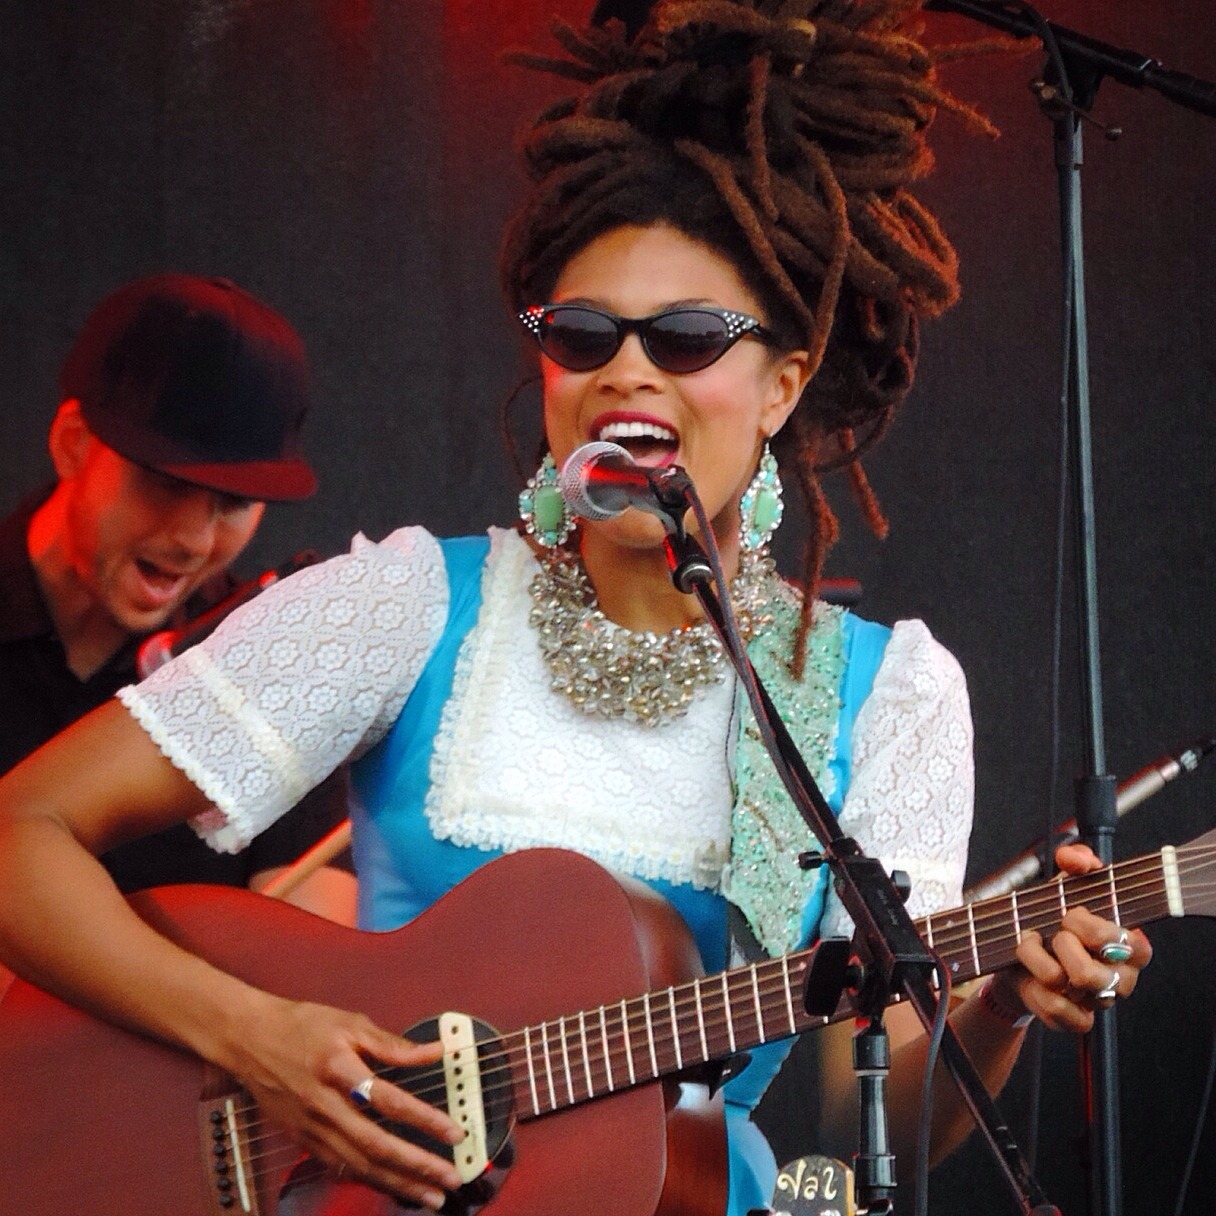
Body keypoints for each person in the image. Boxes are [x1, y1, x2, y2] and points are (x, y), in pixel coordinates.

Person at [0, 5, 1151, 1214]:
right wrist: (255, 1036)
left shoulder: (881, 692)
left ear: (785, 383)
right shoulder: (406, 607)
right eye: (583, 331)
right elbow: (22, 831)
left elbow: (898, 1114)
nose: (627, 370)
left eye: (691, 337)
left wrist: (1005, 1000)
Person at [0, 272, 354, 919]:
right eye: (164, 483)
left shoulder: (263, 664)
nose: (194, 538)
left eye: (235, 502)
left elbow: (318, 948)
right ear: (72, 443)